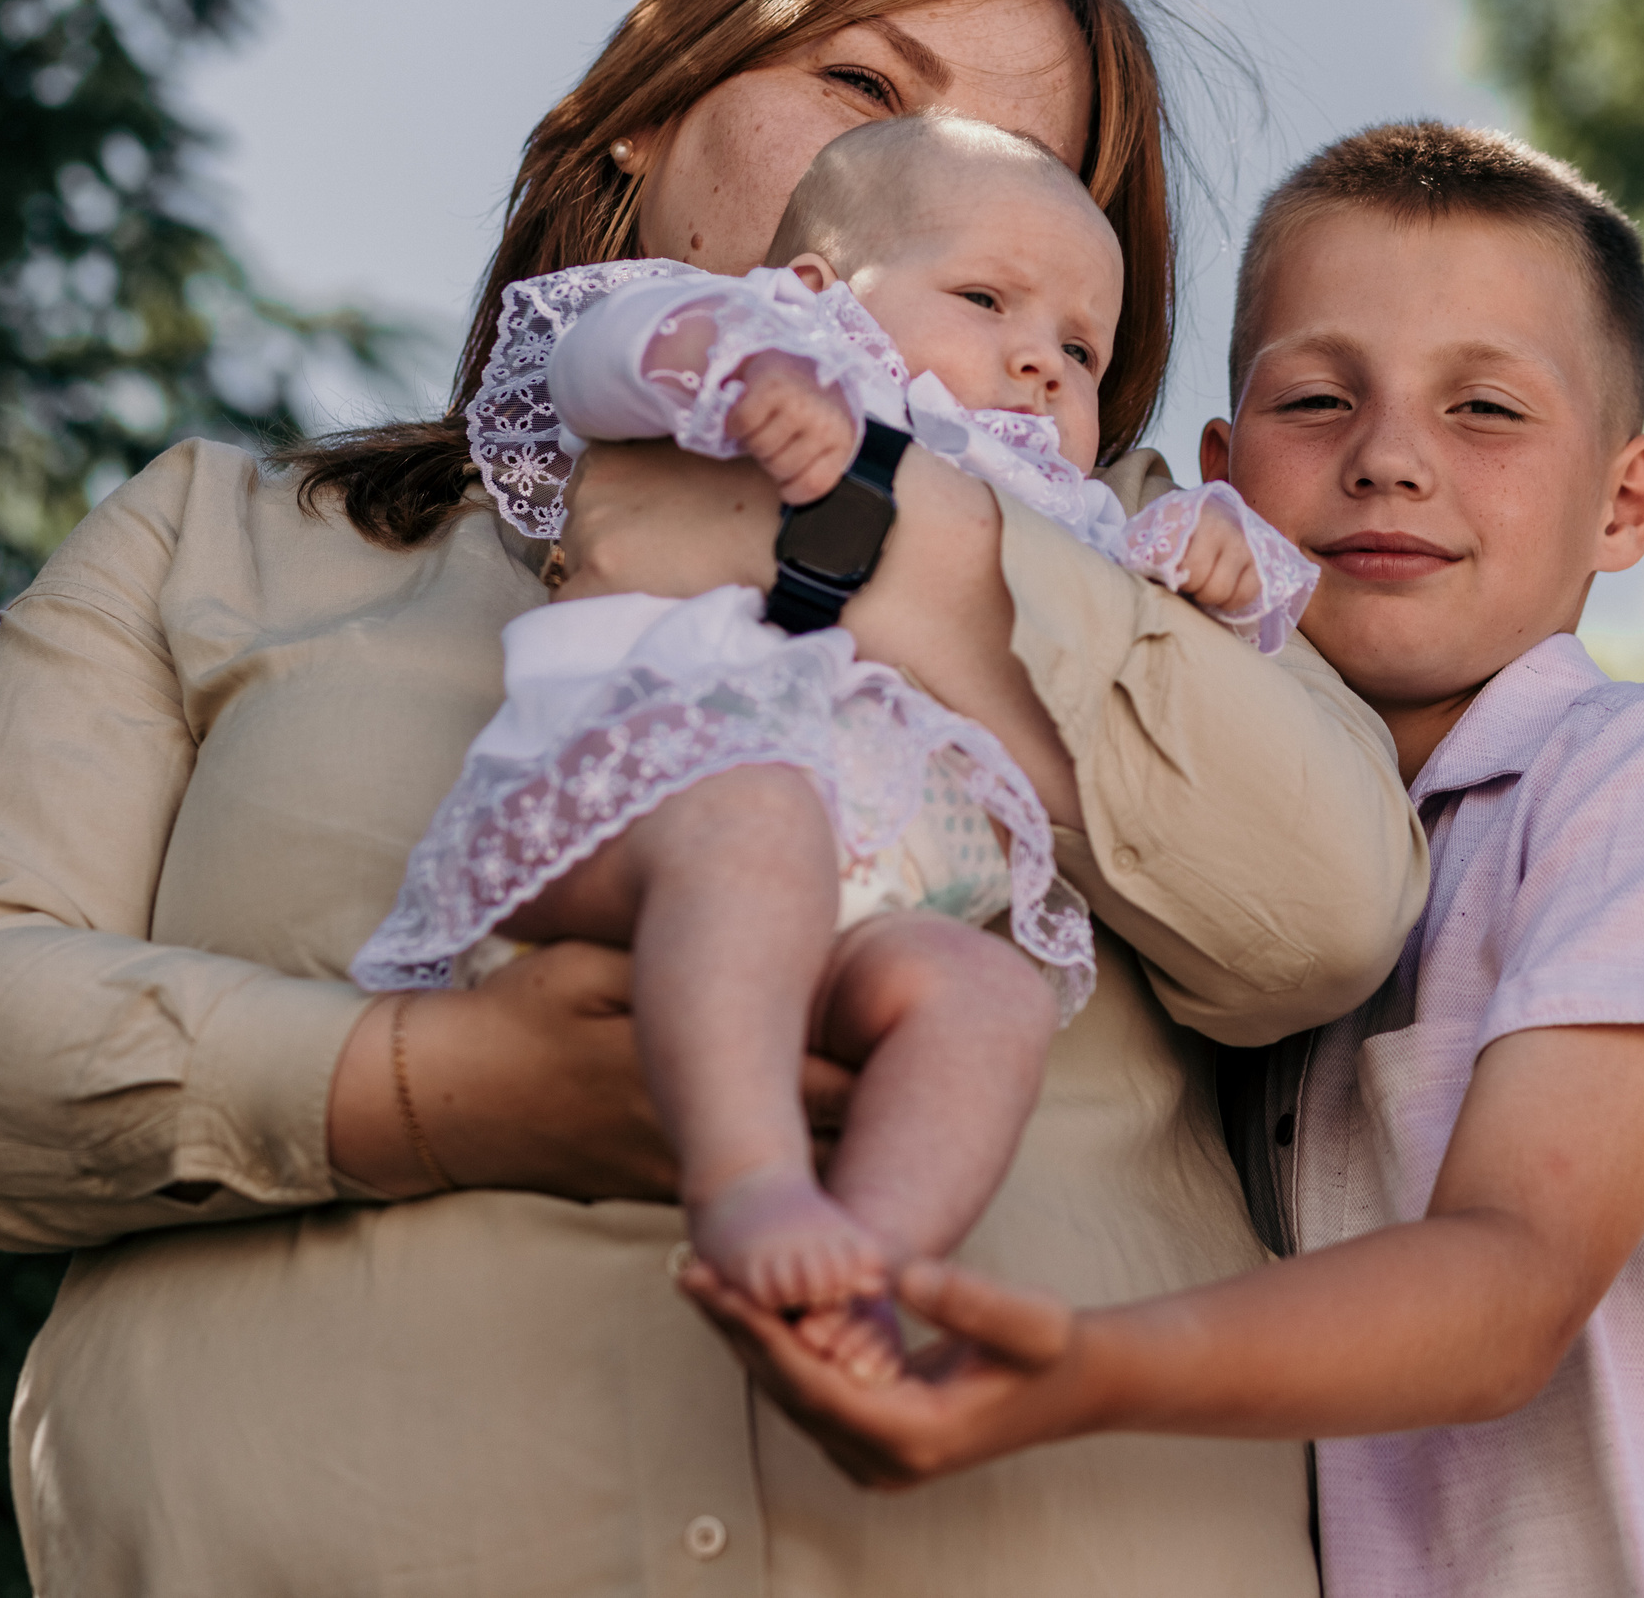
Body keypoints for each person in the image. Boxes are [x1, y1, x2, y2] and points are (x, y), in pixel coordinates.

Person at [0, 0, 1425, 1592]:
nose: (957, 163)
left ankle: (865, 1287)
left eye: (1033, 159)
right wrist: (436, 1093)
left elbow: (1327, 909)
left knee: (965, 990)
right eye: (862, 82)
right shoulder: (221, 540)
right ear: (641, 127)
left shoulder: (1130, 562)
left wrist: (888, 546)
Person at [687, 123, 1644, 1596]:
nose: (1387, 459)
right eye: (1319, 398)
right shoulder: (1245, 884)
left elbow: (1508, 1285)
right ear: (1224, 473)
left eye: (1486, 408)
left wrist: (1077, 1364)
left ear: (1624, 501)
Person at [355, 112, 1314, 1351]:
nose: (1039, 364)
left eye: (1080, 349)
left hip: (875, 906)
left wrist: (1210, 559)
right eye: (985, 298)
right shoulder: (791, 356)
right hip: (658, 804)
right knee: (758, 821)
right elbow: (596, 352)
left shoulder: (1059, 510)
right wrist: (733, 369)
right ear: (815, 289)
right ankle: (752, 1185)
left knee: (988, 996)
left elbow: (1164, 676)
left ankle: (865, 1269)